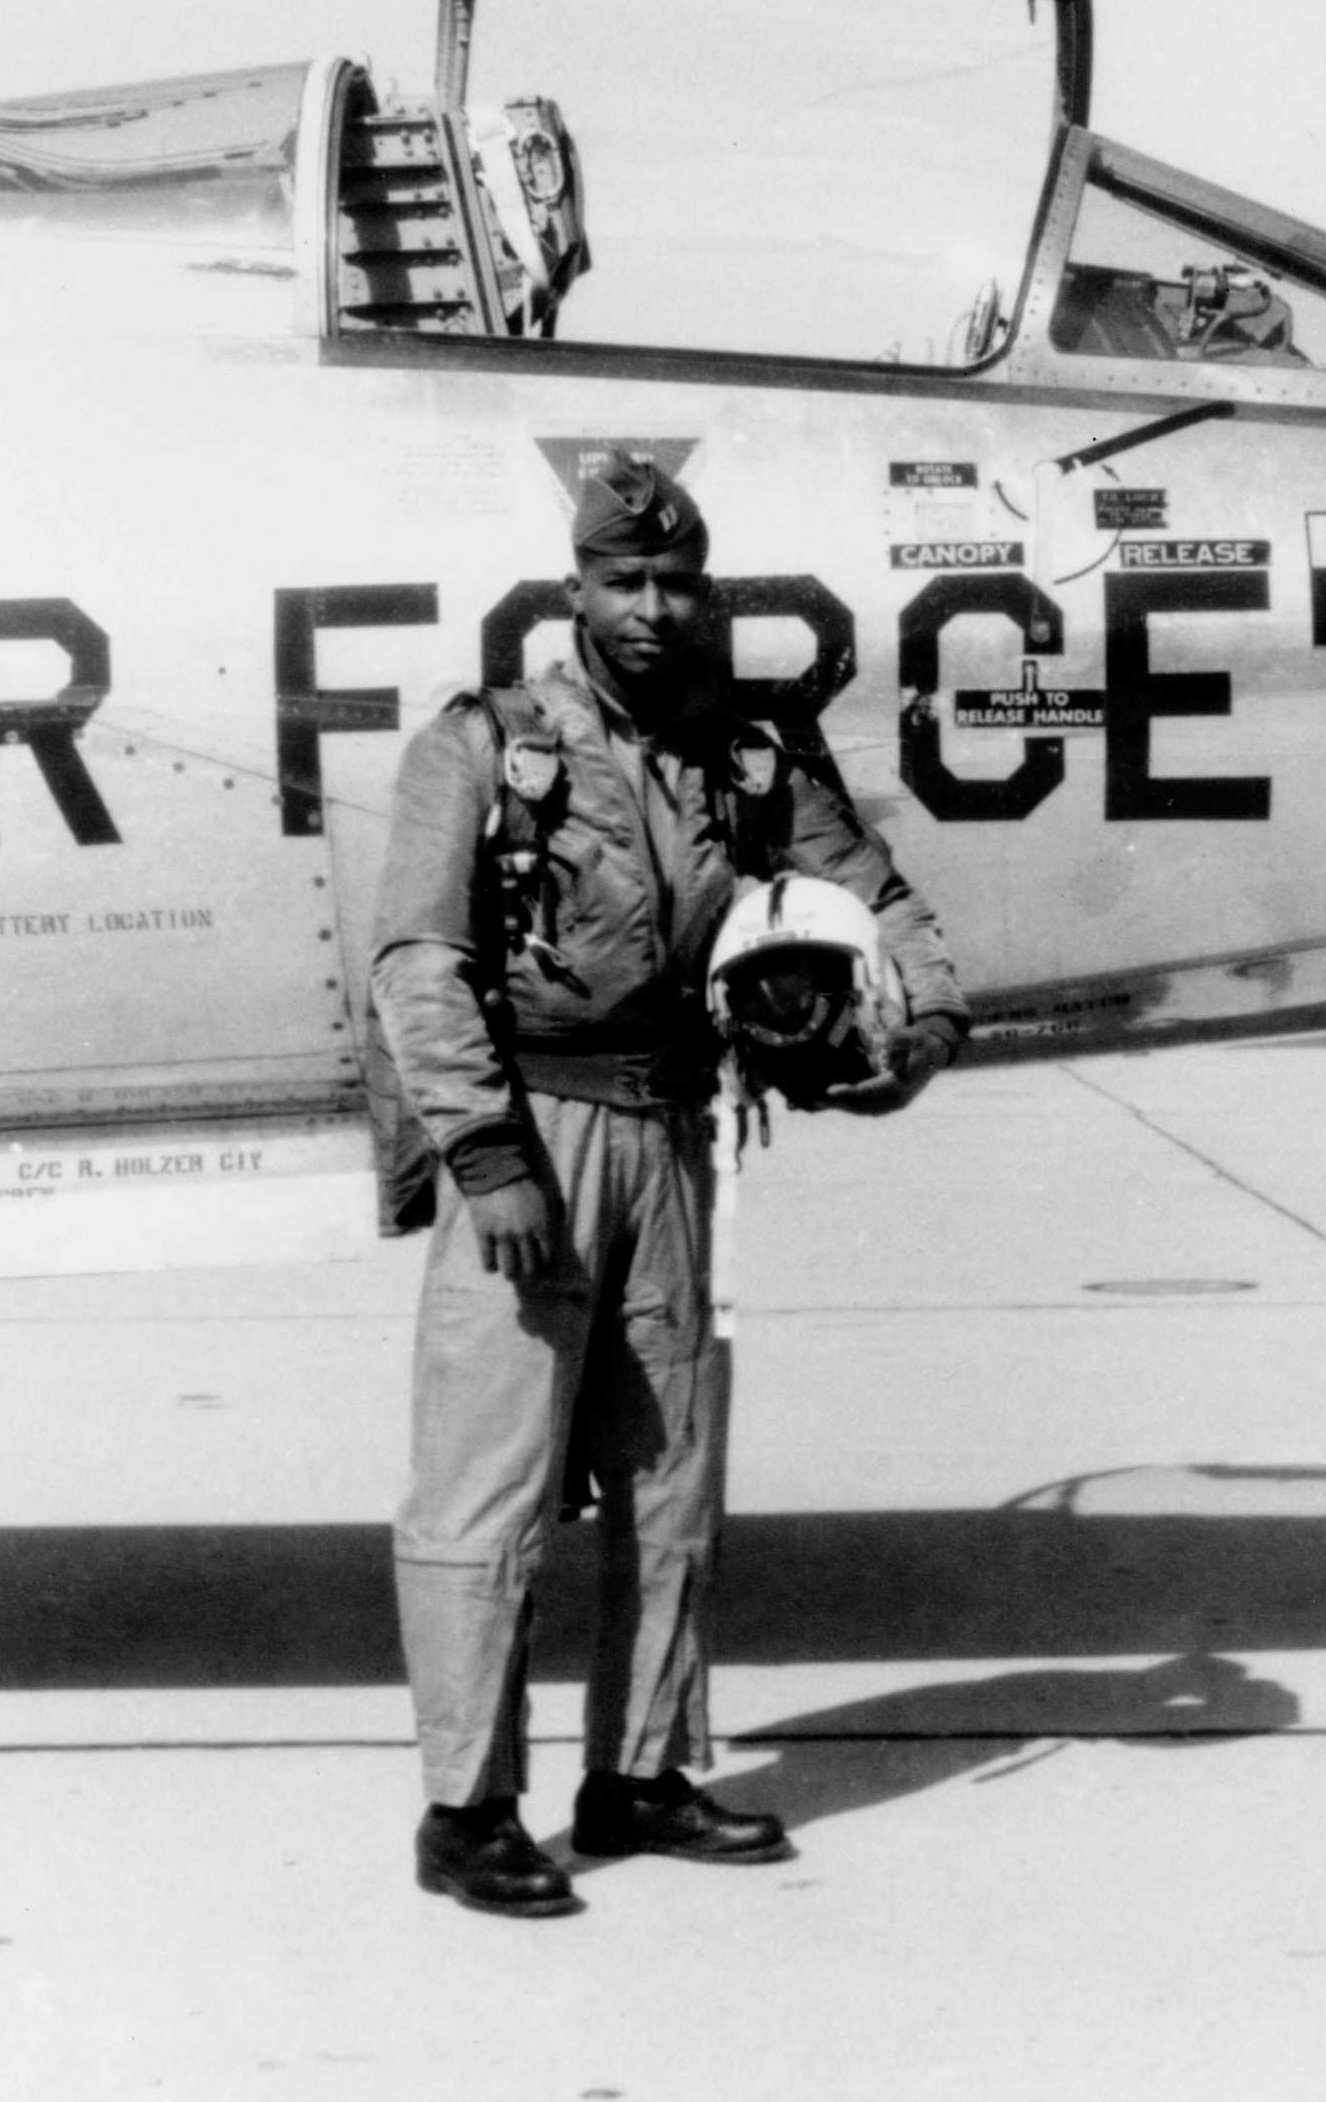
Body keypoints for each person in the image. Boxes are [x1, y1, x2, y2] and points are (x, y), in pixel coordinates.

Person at [370, 455, 970, 1918]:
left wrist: (933, 1022)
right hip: (536, 1137)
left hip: (672, 1140)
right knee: (489, 1489)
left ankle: (637, 1774)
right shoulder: (486, 749)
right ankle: (467, 1807)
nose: (651, 608)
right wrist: (488, 1155)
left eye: (675, 582)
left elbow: (879, 897)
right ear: (574, 593)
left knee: (669, 1476)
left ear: (705, 591)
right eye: (622, 583)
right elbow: (418, 963)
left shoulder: (746, 755)